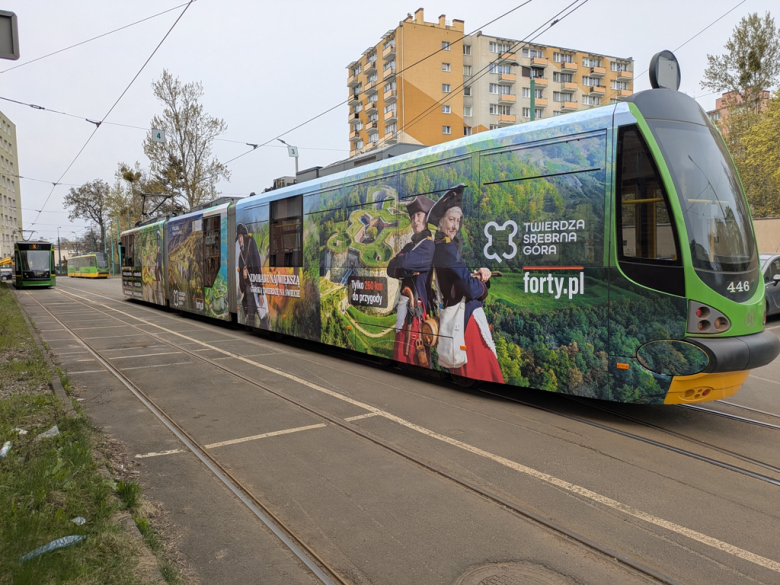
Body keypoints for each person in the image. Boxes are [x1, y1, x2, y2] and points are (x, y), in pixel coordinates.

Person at [428, 184, 505, 383]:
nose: (455, 225)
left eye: (458, 220)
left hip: (458, 318)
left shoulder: (440, 247)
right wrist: (483, 284)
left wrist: (472, 276)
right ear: (441, 221)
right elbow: (470, 289)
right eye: (451, 220)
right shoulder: (447, 249)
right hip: (467, 321)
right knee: (482, 372)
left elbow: (457, 278)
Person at [387, 195, 435, 367]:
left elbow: (403, 262)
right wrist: (407, 268)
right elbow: (390, 268)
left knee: (413, 358)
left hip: (416, 313)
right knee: (401, 357)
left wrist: (404, 264)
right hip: (405, 311)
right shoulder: (410, 246)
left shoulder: (428, 245)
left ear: (426, 219)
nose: (415, 220)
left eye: (419, 216)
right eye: (413, 217)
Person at [236, 223, 267, 326]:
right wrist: (244, 277)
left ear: (244, 237)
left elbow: (258, 268)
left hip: (256, 288)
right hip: (249, 290)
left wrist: (261, 292)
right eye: (238, 237)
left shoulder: (251, 248)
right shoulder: (241, 257)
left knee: (263, 318)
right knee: (251, 319)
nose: (240, 240)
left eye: (241, 236)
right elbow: (242, 280)